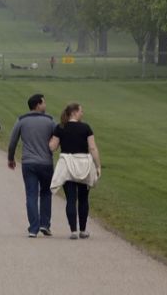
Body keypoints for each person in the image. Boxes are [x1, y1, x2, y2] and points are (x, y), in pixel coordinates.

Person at [49, 103, 101, 240]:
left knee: (71, 199)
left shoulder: (60, 127)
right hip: (83, 164)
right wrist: (98, 166)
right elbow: (93, 148)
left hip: (67, 164)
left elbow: (52, 147)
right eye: (81, 111)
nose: (82, 113)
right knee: (83, 199)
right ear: (74, 112)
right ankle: (83, 230)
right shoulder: (86, 128)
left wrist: (51, 137)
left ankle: (73, 230)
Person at [7, 94, 56, 238]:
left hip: (28, 162)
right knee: (46, 193)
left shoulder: (21, 120)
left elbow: (13, 141)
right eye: (44, 102)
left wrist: (11, 158)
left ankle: (33, 228)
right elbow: (58, 137)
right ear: (38, 104)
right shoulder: (50, 121)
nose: (45, 105)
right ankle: (44, 224)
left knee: (31, 194)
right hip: (46, 162)